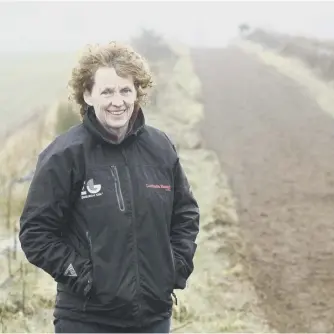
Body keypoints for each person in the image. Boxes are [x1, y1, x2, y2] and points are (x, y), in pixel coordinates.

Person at [18, 42, 200, 333]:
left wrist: (175, 267)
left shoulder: (161, 148)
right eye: (107, 91)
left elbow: (185, 214)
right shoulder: (65, 155)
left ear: (137, 92)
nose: (118, 101)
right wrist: (85, 278)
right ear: (88, 95)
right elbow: (35, 233)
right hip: (87, 319)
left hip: (153, 318)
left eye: (126, 90)